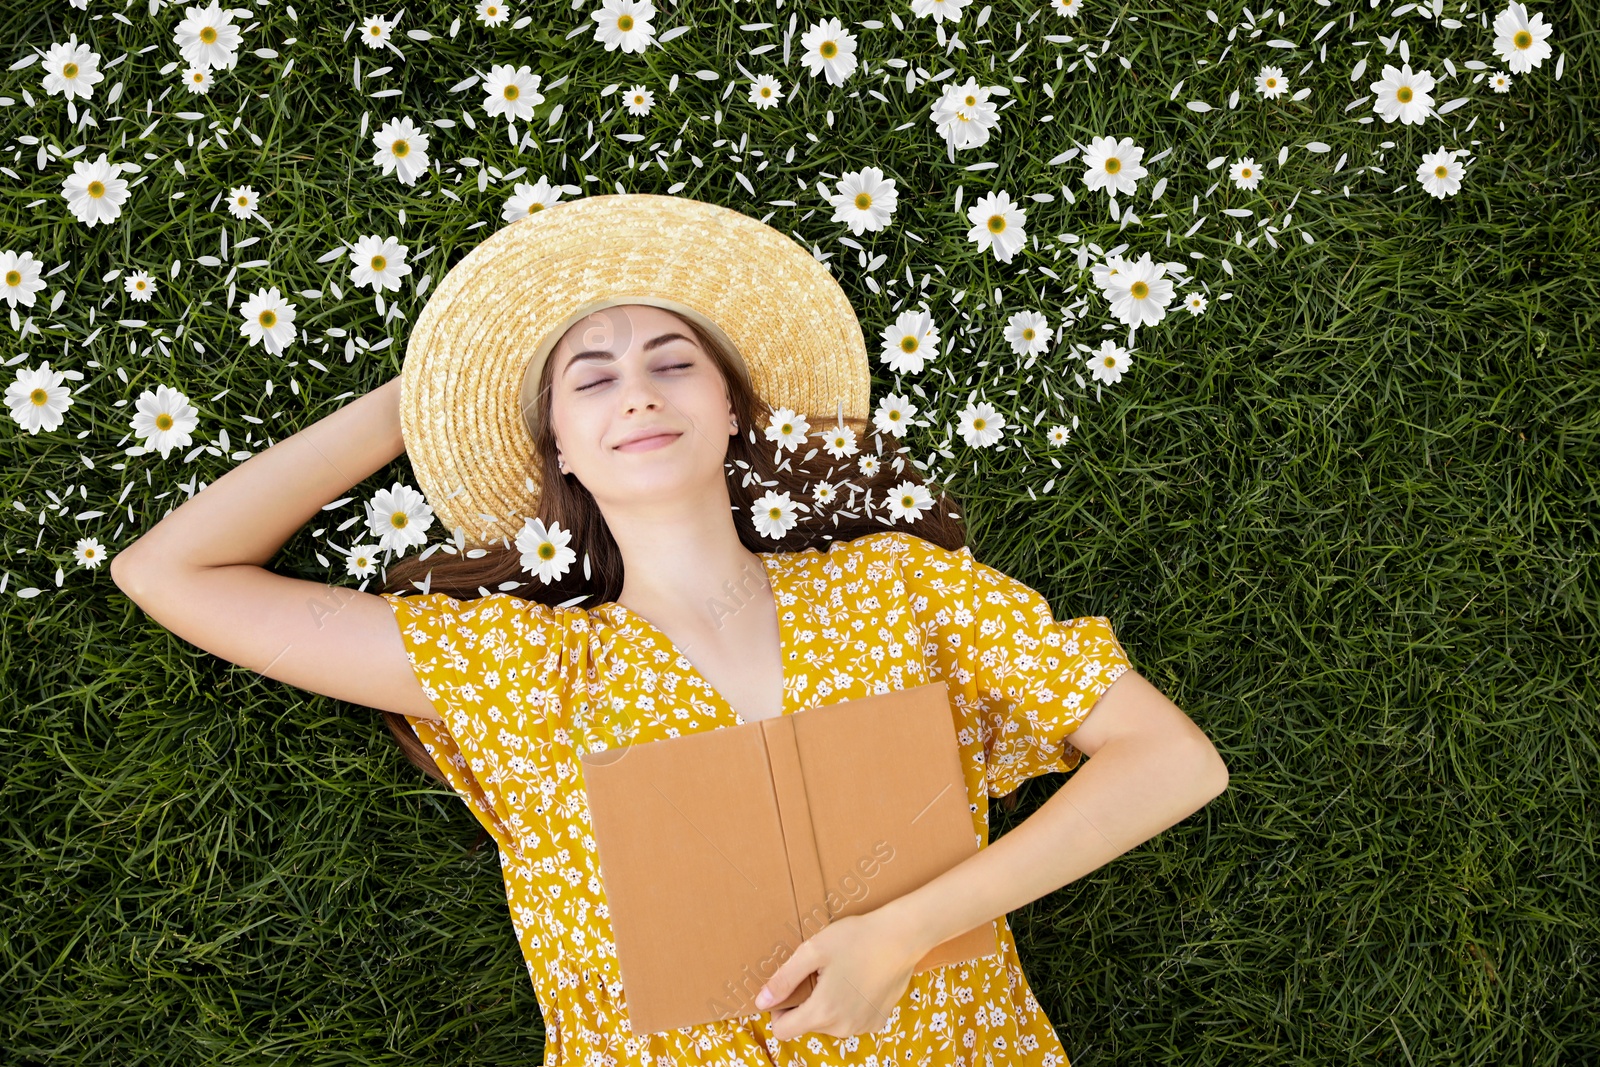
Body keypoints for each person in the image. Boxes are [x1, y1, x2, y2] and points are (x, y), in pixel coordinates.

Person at [111, 194, 1229, 1066]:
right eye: (587, 381)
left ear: (733, 405)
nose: (635, 392)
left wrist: (905, 928)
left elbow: (1171, 759)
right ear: (558, 446)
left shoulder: (902, 587)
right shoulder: (515, 663)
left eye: (672, 361)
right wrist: (420, 392)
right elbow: (171, 569)